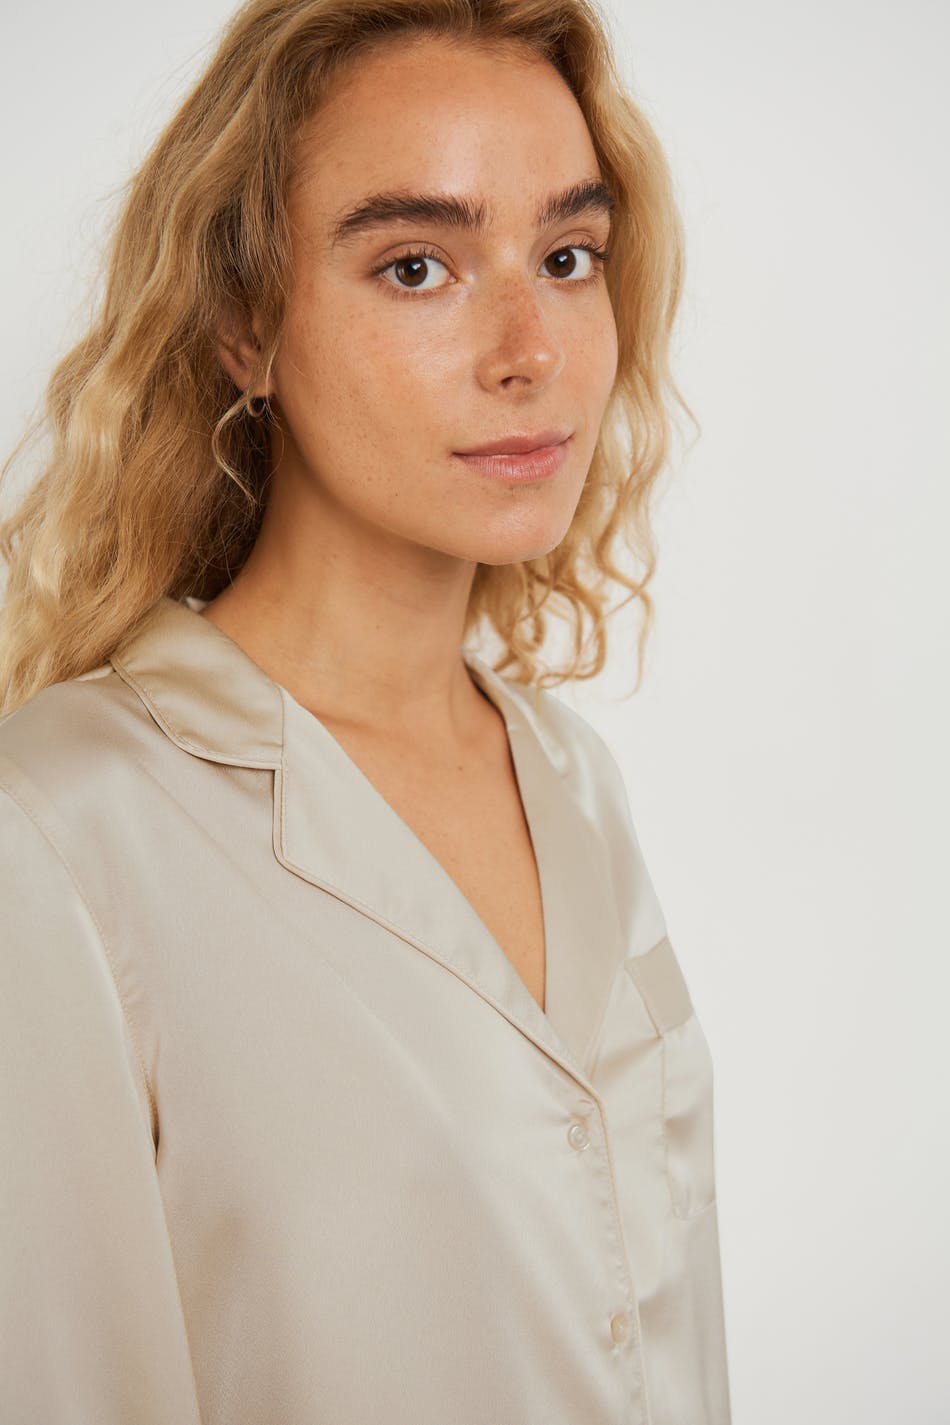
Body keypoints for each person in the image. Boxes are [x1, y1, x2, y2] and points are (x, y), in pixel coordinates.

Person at [0, 1, 731, 1421]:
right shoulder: (66, 826)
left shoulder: (570, 775)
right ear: (242, 327)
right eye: (416, 267)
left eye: (567, 257)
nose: (529, 350)